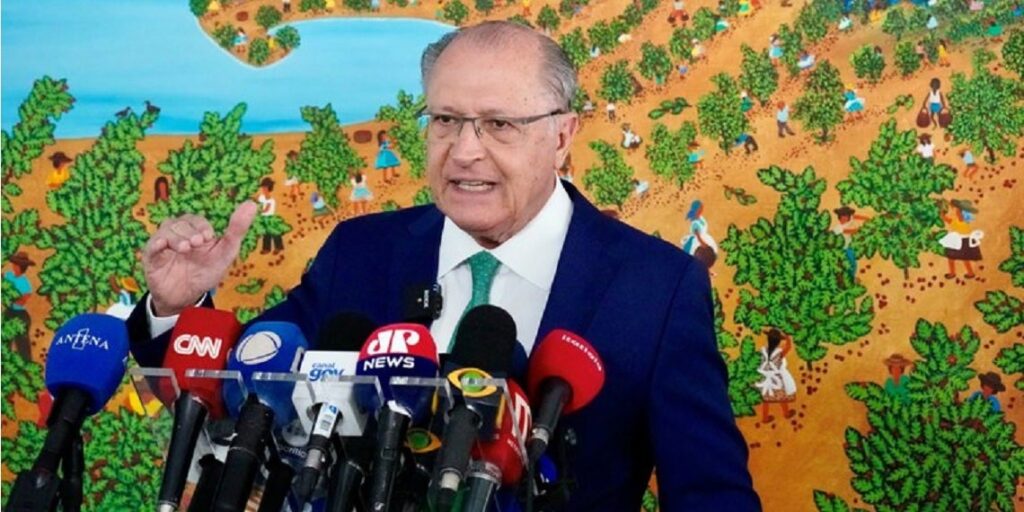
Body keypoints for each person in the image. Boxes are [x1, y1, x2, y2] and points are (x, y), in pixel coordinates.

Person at [128, 21, 759, 510]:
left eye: (499, 124)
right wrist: (177, 310)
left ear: (563, 136)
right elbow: (247, 390)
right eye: (447, 120)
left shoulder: (655, 288)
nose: (464, 151)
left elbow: (710, 494)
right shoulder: (360, 251)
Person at [755, 328, 797, 422]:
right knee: (782, 397)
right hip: (775, 378)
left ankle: (765, 418)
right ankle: (786, 413)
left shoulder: (763, 350)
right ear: (778, 342)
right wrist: (787, 337)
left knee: (766, 399)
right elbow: (788, 346)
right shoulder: (779, 353)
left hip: (764, 377)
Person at [4, 252, 35, 361]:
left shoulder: (25, 284)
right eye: (14, 264)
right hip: (9, 312)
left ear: (22, 267)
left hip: (20, 315)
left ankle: (26, 365)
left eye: (16, 265)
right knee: (4, 341)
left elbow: (22, 302)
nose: (14, 266)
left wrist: (9, 297)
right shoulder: (8, 275)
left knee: (22, 344)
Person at [940, 199, 982, 279]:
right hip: (961, 240)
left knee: (959, 258)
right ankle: (959, 273)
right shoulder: (959, 220)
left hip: (962, 240)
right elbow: (947, 219)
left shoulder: (961, 220)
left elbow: (950, 220)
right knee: (954, 258)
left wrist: (943, 214)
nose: (956, 212)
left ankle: (963, 273)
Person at [832, 206, 869, 283]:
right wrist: (861, 229)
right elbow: (849, 231)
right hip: (841, 249)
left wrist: (867, 219)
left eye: (846, 216)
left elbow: (856, 216)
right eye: (842, 216)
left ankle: (851, 278)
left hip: (848, 247)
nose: (844, 218)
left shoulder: (849, 220)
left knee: (853, 263)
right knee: (847, 264)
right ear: (839, 217)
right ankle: (848, 278)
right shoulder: (838, 228)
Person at [257, 177, 284, 254]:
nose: (263, 189)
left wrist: (258, 211)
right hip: (264, 218)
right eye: (263, 188)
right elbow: (257, 202)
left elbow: (266, 210)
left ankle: (278, 247)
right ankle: (266, 249)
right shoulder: (261, 197)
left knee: (275, 233)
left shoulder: (271, 200)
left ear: (269, 188)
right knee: (266, 234)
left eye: (265, 188)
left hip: (270, 218)